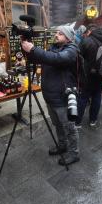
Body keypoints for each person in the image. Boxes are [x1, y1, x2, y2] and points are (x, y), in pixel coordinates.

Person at [21, 26, 80, 166]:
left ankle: (74, 153)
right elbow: (44, 59)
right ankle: (62, 145)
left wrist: (34, 49)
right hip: (51, 96)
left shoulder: (72, 50)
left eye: (61, 33)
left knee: (69, 127)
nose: (57, 35)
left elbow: (57, 59)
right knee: (58, 124)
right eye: (57, 32)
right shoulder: (53, 48)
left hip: (63, 97)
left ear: (68, 37)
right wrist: (28, 50)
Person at [75, 26, 102, 128]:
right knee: (97, 97)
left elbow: (77, 56)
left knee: (82, 98)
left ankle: (77, 122)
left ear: (92, 31)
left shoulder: (87, 41)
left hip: (86, 75)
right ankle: (93, 120)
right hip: (101, 76)